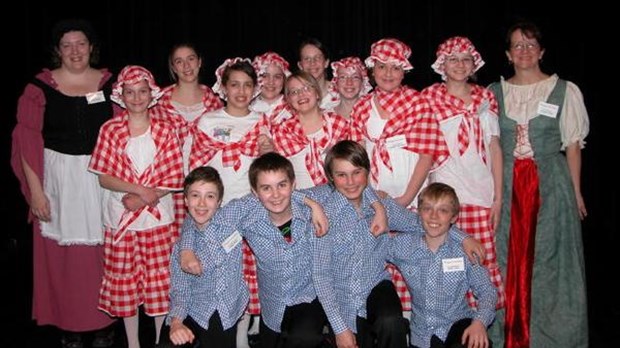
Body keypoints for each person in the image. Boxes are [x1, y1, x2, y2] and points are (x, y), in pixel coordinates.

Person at [308, 140, 484, 348]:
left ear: (367, 171)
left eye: (357, 172)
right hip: (340, 294)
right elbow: (321, 276)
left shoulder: (384, 207)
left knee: (391, 322)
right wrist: (339, 329)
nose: (350, 181)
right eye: (341, 175)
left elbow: (424, 223)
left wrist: (463, 237)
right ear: (331, 177)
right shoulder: (322, 213)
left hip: (375, 284)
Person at [10, 18, 116, 348]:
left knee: (104, 253)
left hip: (102, 178)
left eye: (81, 44)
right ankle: (69, 325)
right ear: (58, 50)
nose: (75, 51)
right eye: (67, 45)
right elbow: (27, 143)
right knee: (63, 257)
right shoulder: (39, 89)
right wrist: (36, 193)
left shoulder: (112, 85)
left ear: (91, 48)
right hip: (58, 180)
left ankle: (105, 323)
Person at [486, 21, 589, 348]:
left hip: (550, 184)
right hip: (506, 184)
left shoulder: (564, 90)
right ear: (507, 54)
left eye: (530, 45)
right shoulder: (493, 92)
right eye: (517, 45)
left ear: (541, 51)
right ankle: (504, 334)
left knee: (550, 261)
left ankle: (552, 338)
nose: (524, 51)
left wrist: (576, 193)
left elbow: (572, 146)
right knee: (503, 257)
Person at [350, 37, 449, 318]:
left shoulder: (418, 103)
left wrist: (406, 197)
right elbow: (357, 159)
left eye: (395, 68)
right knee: (375, 259)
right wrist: (371, 197)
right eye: (382, 67)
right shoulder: (361, 108)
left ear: (404, 71)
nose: (388, 74)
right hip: (374, 199)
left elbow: (427, 154)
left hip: (411, 196)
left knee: (415, 261)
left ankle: (418, 325)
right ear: (372, 70)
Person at [88, 65, 184, 348]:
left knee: (158, 283)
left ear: (151, 94)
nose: (137, 97)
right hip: (121, 216)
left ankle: (158, 339)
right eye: (130, 92)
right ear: (121, 96)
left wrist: (143, 197)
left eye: (142, 91)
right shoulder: (111, 129)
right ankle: (132, 342)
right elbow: (104, 176)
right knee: (126, 282)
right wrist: (137, 191)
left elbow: (174, 176)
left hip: (157, 219)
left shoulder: (165, 130)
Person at [188, 57, 272, 347]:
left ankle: (243, 333)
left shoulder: (261, 122)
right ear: (223, 88)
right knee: (224, 274)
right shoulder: (209, 121)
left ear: (255, 89)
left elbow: (268, 168)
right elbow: (195, 166)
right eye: (234, 84)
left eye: (247, 85)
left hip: (250, 209)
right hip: (218, 212)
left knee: (249, 273)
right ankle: (219, 328)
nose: (241, 91)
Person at [422, 36, 505, 309]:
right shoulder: (429, 96)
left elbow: (494, 148)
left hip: (481, 193)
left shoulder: (485, 96)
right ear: (441, 65)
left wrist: (498, 199)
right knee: (448, 265)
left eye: (465, 59)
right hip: (445, 192)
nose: (459, 65)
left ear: (474, 65)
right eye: (452, 59)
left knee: (480, 263)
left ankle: (481, 329)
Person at [389, 183, 497, 348]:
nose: (434, 216)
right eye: (427, 209)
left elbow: (487, 290)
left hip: (457, 329)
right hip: (421, 336)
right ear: (419, 212)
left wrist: (480, 322)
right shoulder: (403, 246)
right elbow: (372, 239)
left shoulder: (465, 252)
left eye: (443, 210)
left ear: (454, 217)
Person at [168, 166, 248, 347]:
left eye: (210, 196)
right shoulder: (182, 248)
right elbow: (180, 289)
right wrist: (176, 322)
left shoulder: (231, 218)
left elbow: (265, 195)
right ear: (186, 200)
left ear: (219, 201)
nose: (202, 203)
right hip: (198, 308)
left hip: (229, 307)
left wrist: (310, 203)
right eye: (195, 195)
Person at [157, 43, 224, 243]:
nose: (186, 66)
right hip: (168, 189)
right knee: (174, 242)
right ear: (173, 67)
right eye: (179, 61)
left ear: (200, 62)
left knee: (205, 240)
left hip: (204, 187)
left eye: (191, 59)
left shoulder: (215, 102)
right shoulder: (159, 102)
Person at [272, 70, 350, 189]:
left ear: (317, 93)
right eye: (294, 92)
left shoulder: (338, 124)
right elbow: (280, 176)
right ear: (288, 100)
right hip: (300, 200)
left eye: (306, 88)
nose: (301, 95)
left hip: (338, 196)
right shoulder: (282, 131)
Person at [250, 51, 293, 125]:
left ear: (284, 80)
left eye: (277, 77)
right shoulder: (248, 109)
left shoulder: (294, 106)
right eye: (265, 76)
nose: (271, 82)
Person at [297, 37, 338, 109]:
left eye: (317, 57)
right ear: (300, 65)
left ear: (326, 62)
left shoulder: (339, 93)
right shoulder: (296, 96)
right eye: (307, 59)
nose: (312, 63)